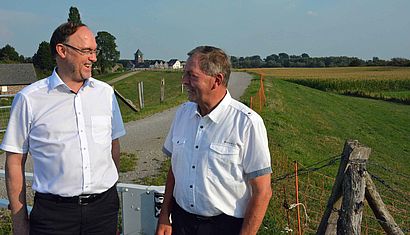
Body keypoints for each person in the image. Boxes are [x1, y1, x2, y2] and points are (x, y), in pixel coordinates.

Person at [1, 21, 126, 234]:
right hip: (53, 216)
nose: (93, 58)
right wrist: (19, 221)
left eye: (94, 51)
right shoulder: (29, 99)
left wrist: (110, 206)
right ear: (62, 50)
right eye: (86, 51)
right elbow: (14, 161)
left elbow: (113, 147)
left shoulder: (105, 93)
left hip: (103, 210)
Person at [156, 46, 272, 235]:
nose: (184, 81)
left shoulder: (247, 123)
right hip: (181, 223)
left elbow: (263, 191)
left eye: (192, 76)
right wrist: (164, 216)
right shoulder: (182, 114)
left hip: (224, 227)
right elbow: (174, 169)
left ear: (216, 80)